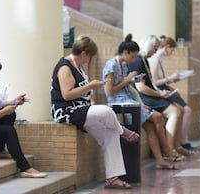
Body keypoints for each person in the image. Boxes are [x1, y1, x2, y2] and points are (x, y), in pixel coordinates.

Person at [51, 35, 138, 189]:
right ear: (84, 53)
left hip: (82, 110)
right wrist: (90, 86)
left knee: (111, 134)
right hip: (67, 111)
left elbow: (85, 87)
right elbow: (67, 94)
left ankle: (112, 178)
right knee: (106, 111)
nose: (90, 59)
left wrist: (90, 68)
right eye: (90, 56)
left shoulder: (79, 66)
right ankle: (123, 131)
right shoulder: (65, 66)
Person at [102, 34, 181, 169]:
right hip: (120, 101)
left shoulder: (123, 64)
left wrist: (133, 80)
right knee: (157, 117)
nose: (133, 60)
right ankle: (167, 149)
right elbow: (109, 91)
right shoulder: (111, 65)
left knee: (151, 128)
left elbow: (125, 83)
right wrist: (127, 80)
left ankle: (160, 160)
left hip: (129, 98)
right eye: (132, 56)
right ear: (125, 53)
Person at [127, 35, 190, 157]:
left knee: (178, 110)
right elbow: (141, 88)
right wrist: (160, 93)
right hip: (142, 97)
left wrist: (165, 92)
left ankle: (174, 146)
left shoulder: (144, 60)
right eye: (154, 48)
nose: (155, 51)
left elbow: (149, 83)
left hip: (150, 93)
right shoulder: (138, 61)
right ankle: (169, 149)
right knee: (174, 112)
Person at [148, 35, 196, 152]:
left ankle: (178, 143)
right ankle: (175, 145)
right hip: (159, 92)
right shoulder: (154, 59)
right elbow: (154, 81)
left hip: (164, 89)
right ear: (167, 47)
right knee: (180, 110)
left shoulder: (160, 59)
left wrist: (172, 81)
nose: (172, 52)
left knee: (184, 110)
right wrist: (170, 78)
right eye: (172, 50)